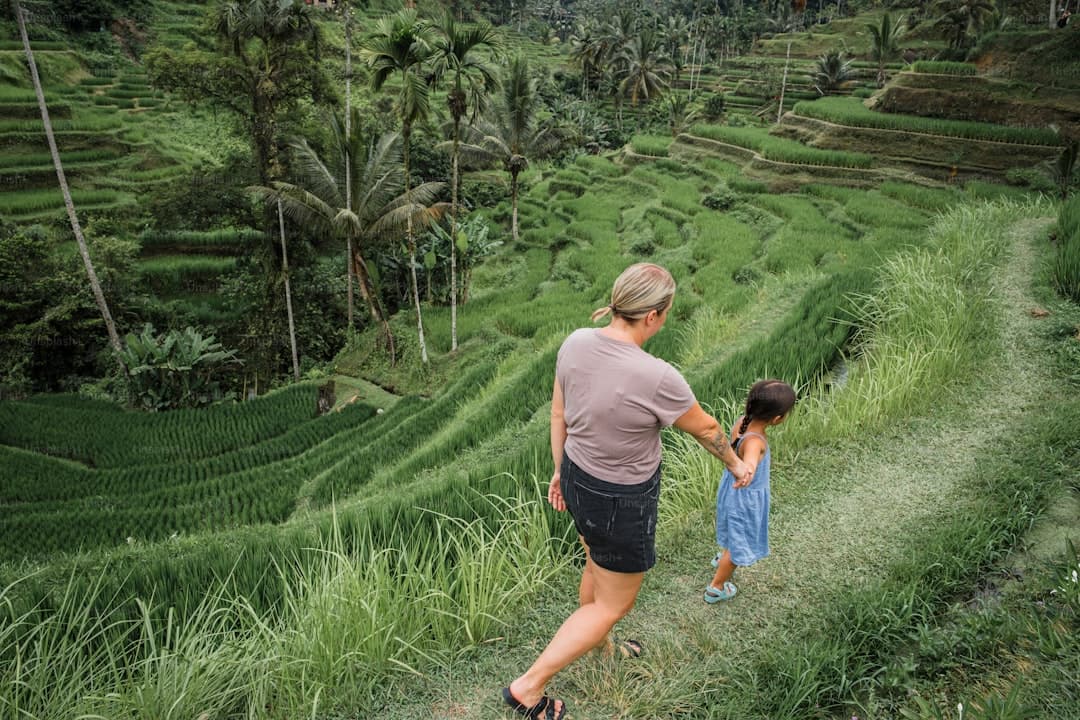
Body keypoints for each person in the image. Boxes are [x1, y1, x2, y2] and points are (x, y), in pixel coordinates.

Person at [501, 263, 752, 720]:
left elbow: (559, 414)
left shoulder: (576, 341)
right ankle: (528, 688)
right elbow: (709, 429)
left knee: (597, 567)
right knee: (614, 603)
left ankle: (604, 651)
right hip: (621, 500)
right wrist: (736, 464)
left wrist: (560, 471)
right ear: (654, 314)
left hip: (577, 476)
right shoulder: (657, 376)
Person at [704, 379, 797, 604]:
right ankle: (716, 587)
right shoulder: (755, 441)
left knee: (733, 529)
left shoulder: (742, 423)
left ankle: (723, 556)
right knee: (739, 546)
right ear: (777, 419)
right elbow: (751, 461)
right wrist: (749, 471)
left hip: (730, 491)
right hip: (745, 499)